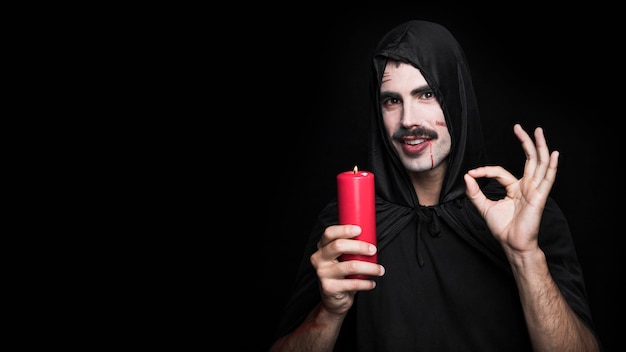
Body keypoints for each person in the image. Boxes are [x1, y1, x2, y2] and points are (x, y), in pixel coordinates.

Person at [269, 20, 601, 351]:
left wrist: (525, 255)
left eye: (426, 94)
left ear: (455, 99)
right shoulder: (345, 224)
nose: (408, 120)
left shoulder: (521, 210)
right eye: (391, 101)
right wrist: (329, 311)